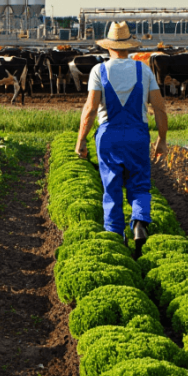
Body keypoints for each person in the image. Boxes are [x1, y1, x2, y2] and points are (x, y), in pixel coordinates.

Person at [75, 22, 168, 255]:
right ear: (129, 47)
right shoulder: (143, 70)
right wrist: (162, 139)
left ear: (108, 47)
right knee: (140, 184)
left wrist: (81, 140)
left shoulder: (99, 71)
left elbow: (90, 109)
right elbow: (159, 108)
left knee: (112, 187)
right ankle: (139, 222)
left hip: (109, 137)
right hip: (137, 136)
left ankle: (116, 237)